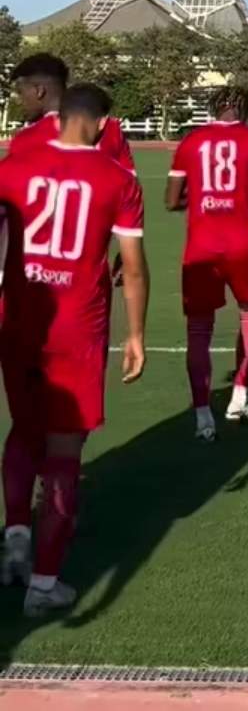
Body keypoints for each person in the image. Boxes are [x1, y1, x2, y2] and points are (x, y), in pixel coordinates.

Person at [0, 83, 148, 617]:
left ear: (59, 116)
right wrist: (136, 334)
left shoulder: (12, 168)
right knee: (64, 454)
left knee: (23, 429)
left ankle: (16, 535)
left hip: (19, 322)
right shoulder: (118, 178)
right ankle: (44, 583)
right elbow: (134, 268)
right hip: (78, 330)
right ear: (104, 124)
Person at [166, 87, 248, 441]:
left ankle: (202, 416)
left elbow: (172, 200)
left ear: (213, 108)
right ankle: (238, 395)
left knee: (198, 329)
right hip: (241, 244)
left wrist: (202, 196)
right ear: (245, 110)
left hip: (200, 247)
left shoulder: (191, 141)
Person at [8, 54, 135, 173]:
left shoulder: (27, 139)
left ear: (39, 91)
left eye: (20, 92)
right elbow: (130, 184)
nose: (19, 100)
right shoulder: (112, 130)